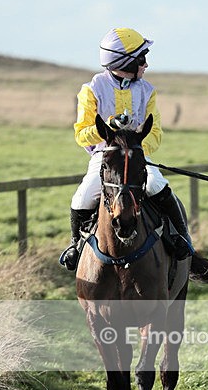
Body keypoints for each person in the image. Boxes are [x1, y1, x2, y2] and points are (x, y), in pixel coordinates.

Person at [59, 26, 194, 271]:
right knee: (82, 196)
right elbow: (81, 134)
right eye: (142, 59)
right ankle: (75, 245)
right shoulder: (91, 90)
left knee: (156, 185)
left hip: (137, 155)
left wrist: (137, 146)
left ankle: (181, 238)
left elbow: (155, 134)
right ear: (125, 62)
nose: (146, 65)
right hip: (105, 155)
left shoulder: (147, 91)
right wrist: (108, 127)